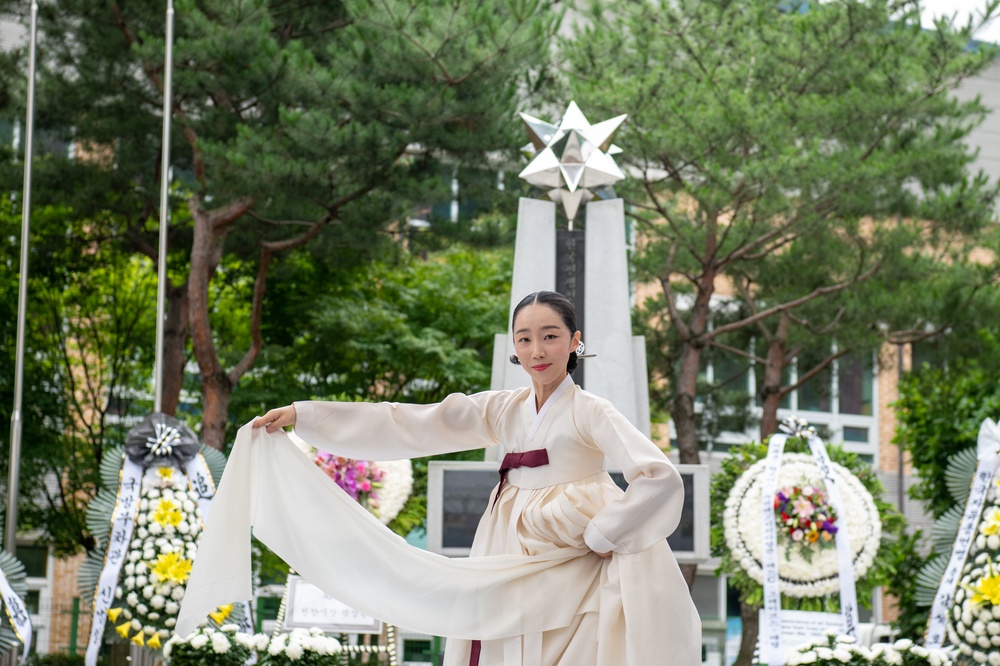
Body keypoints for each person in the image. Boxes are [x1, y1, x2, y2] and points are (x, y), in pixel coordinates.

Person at [252, 290, 700, 665]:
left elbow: (658, 477)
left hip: (577, 549)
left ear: (574, 341)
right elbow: (411, 422)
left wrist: (604, 533)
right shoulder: (503, 407)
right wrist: (305, 415)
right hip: (507, 542)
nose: (537, 351)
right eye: (524, 339)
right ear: (514, 345)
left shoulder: (591, 411)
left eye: (550, 336)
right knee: (502, 645)